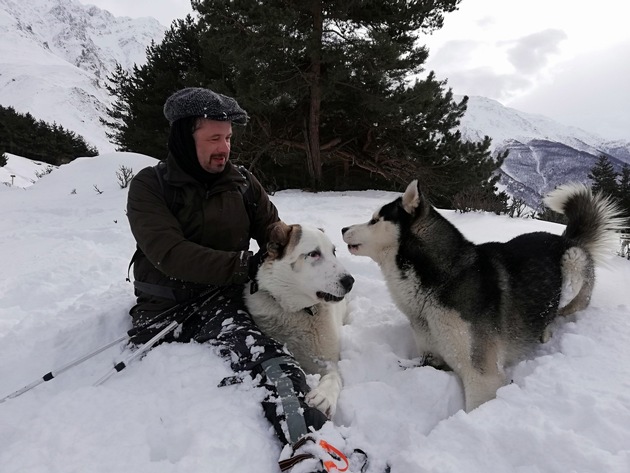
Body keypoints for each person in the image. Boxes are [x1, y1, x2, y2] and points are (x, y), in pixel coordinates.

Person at [126, 87, 354, 472]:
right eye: (213, 138)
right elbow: (169, 252)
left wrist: (303, 253)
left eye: (228, 138)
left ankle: (306, 436)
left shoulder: (243, 183)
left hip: (226, 296)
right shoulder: (151, 186)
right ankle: (305, 445)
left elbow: (275, 233)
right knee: (267, 359)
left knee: (270, 349)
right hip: (167, 306)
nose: (224, 147)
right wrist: (243, 266)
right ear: (185, 136)